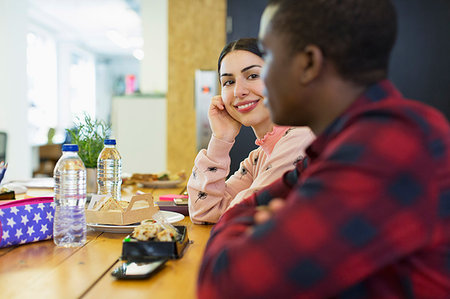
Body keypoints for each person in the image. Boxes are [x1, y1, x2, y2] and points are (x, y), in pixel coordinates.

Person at [197, 0, 450, 298]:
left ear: (308, 64)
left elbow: (226, 284)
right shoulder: (334, 145)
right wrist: (256, 223)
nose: (249, 87)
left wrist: (260, 225)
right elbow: (239, 210)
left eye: (269, 60)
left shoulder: (390, 142)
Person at [187, 38, 314, 224]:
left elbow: (234, 216)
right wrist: (221, 139)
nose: (239, 91)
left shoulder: (301, 139)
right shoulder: (259, 156)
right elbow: (204, 212)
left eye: (253, 76)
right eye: (228, 82)